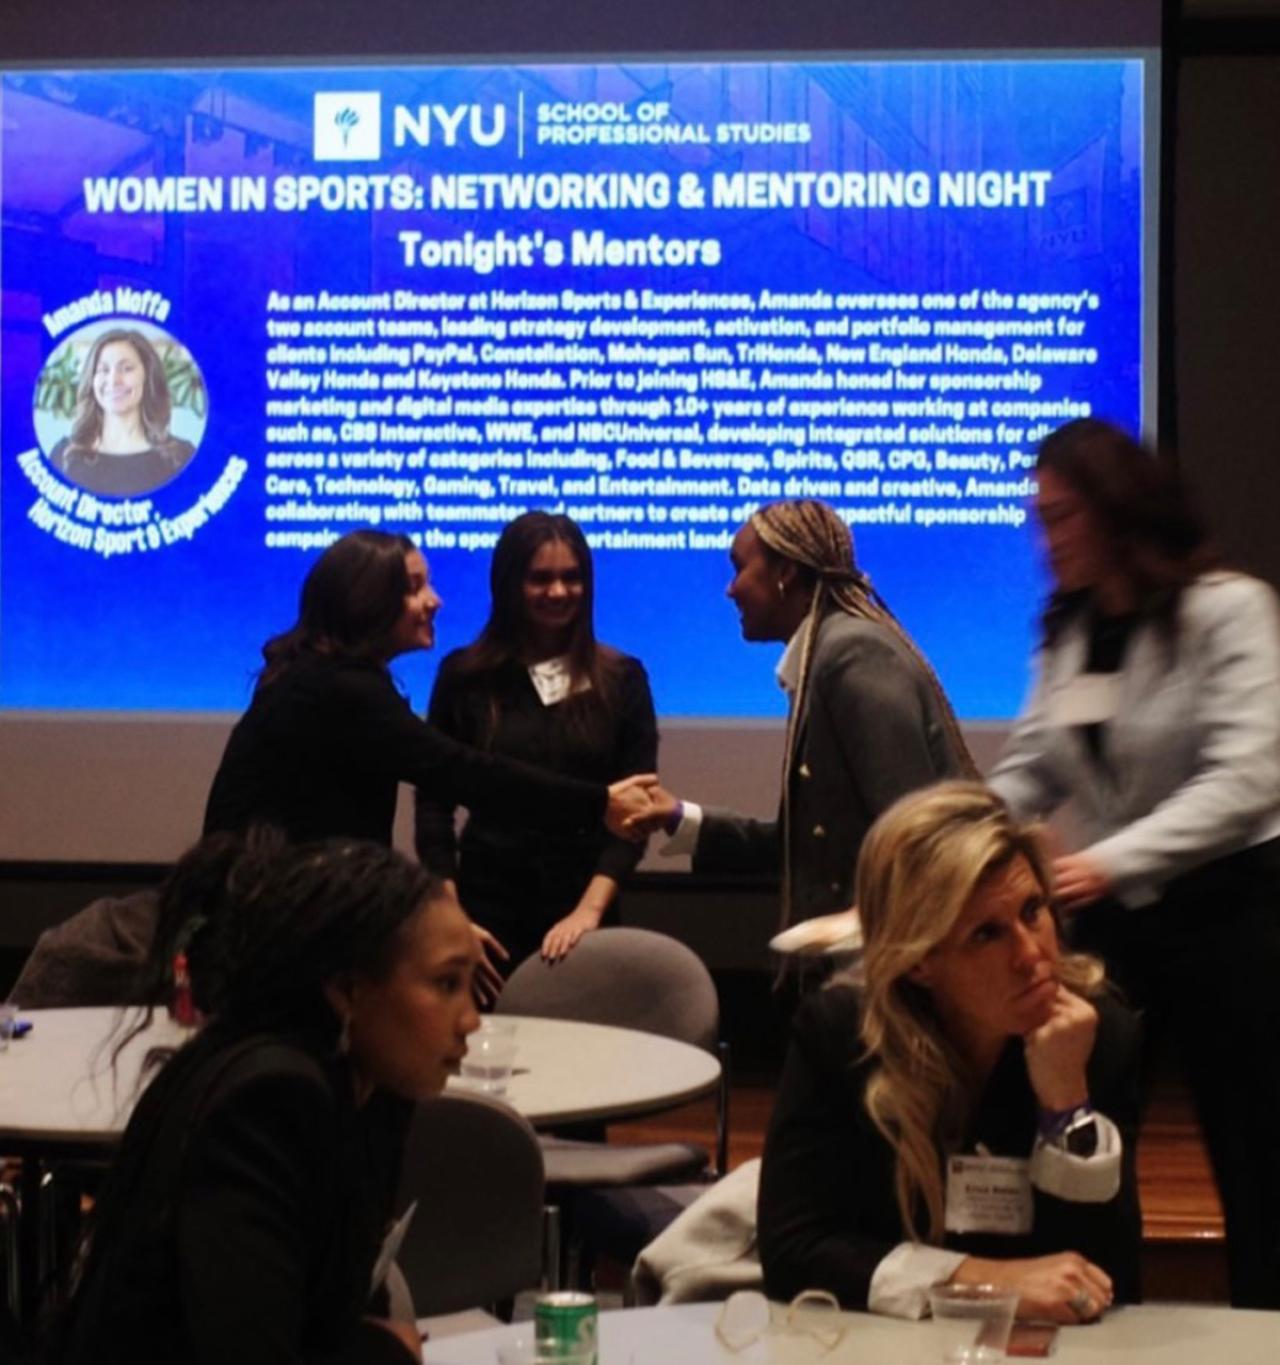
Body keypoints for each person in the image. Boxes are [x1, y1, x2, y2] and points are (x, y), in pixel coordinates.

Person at [987, 416, 1280, 1308]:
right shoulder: (1073, 628)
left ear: (1119, 511)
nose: (1049, 538)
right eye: (1040, 518)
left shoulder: (1224, 609)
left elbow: (1253, 774)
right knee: (1084, 1131)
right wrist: (958, 836)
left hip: (1236, 916)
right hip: (1119, 927)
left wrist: (1110, 859)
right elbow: (1033, 766)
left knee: (1259, 1153)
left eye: (1064, 516)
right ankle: (1098, 1315)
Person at [47, 831, 480, 1364]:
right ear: (346, 988)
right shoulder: (270, 1099)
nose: (470, 1020)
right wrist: (384, 1352)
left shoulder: (373, 1089)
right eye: (445, 984)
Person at [757, 782, 1141, 1321]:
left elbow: (1107, 1278)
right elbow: (792, 1252)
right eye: (987, 934)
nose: (1032, 955)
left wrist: (1065, 1108)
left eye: (1033, 911)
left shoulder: (1095, 1035)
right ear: (919, 961)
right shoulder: (845, 1035)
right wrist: (982, 1279)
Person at [203, 529, 653, 851]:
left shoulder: (318, 677)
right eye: (415, 587)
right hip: (270, 925)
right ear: (369, 599)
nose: (434, 600)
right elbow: (463, 771)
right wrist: (598, 802)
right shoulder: (341, 690)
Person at [641, 498, 973, 931]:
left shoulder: (852, 654)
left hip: (888, 964)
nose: (731, 588)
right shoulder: (827, 654)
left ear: (785, 574)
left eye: (739, 568)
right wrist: (677, 817)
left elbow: (913, 831)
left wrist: (862, 927)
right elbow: (804, 844)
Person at [415, 512, 658, 972]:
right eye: (540, 579)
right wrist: (450, 912)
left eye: (571, 578)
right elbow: (434, 807)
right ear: (509, 584)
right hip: (484, 909)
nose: (558, 592)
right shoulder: (466, 677)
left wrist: (588, 913)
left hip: (586, 909)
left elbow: (635, 813)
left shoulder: (622, 679)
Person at [49, 328, 196, 496]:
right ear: (92, 381)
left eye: (127, 369)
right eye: (103, 370)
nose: (113, 380)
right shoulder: (64, 456)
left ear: (148, 377)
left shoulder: (182, 457)